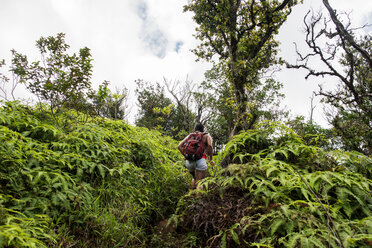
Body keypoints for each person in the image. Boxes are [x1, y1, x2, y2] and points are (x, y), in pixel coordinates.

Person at [178, 123, 215, 189]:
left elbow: (179, 146)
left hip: (189, 162)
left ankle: (191, 197)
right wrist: (211, 159)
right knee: (200, 182)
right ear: (203, 130)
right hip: (201, 160)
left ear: (195, 129)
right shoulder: (206, 135)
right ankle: (198, 199)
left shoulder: (190, 135)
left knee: (194, 179)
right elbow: (210, 146)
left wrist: (185, 155)